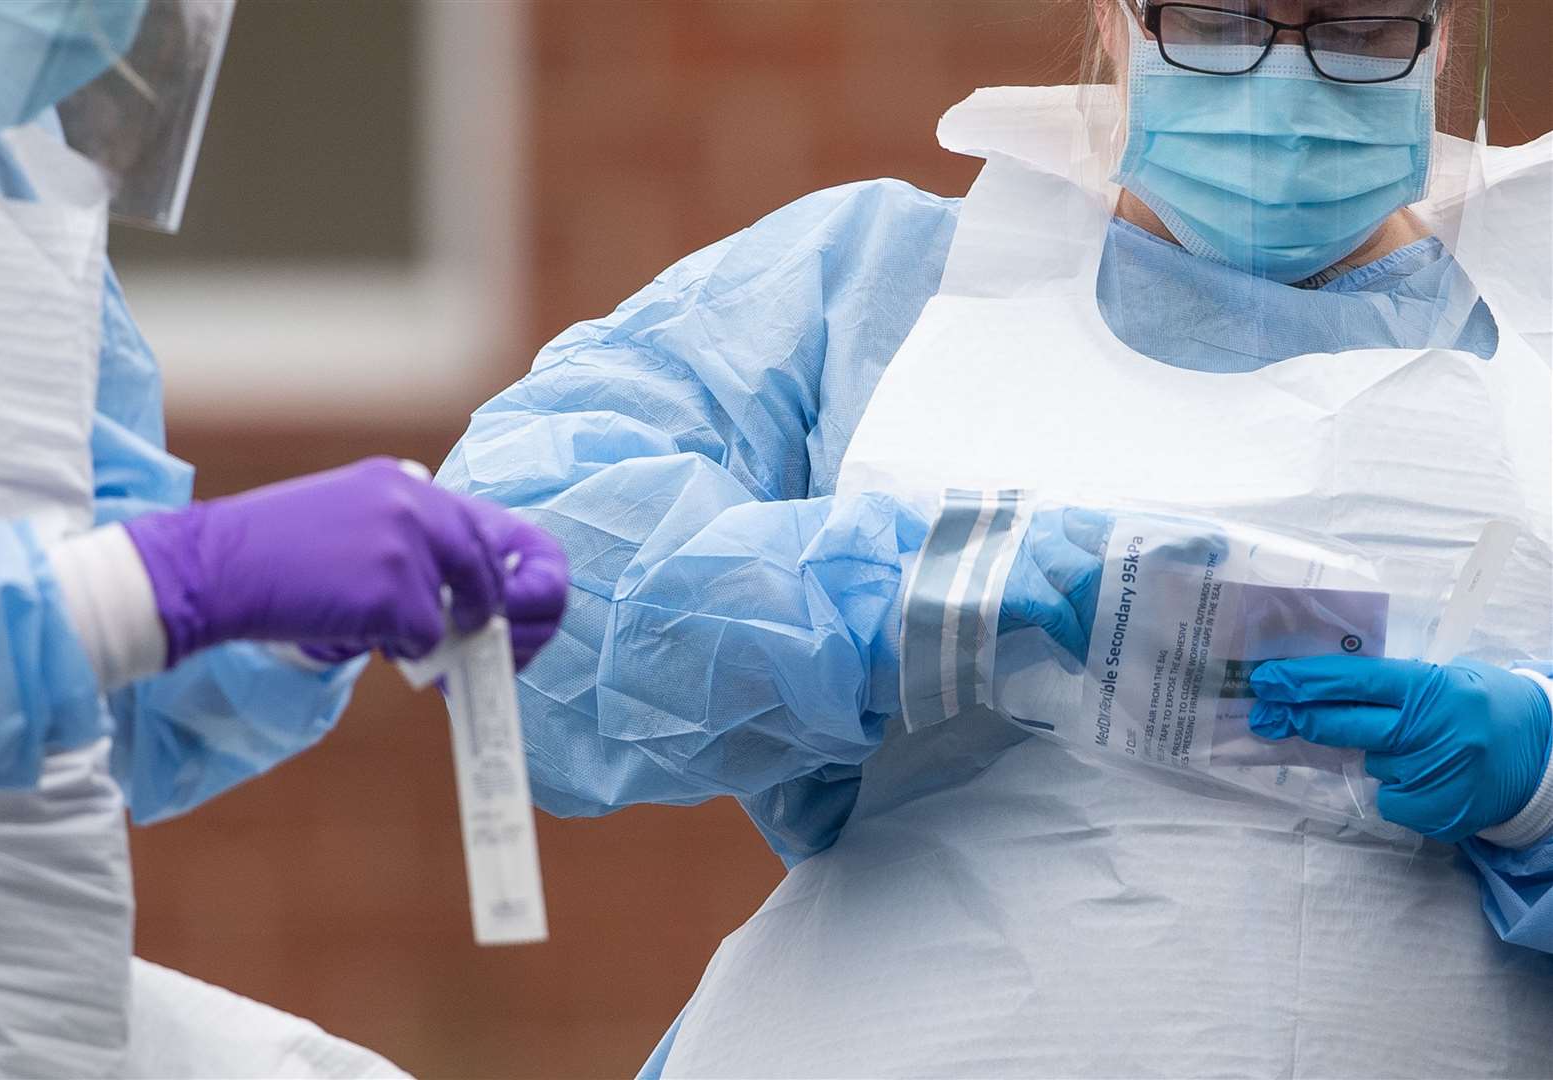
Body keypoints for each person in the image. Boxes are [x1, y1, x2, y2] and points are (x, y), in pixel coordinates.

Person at [440, 0, 1551, 1075]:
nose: (1284, 71)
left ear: (1444, 34)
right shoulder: (882, 292)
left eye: (1357, 28)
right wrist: (915, 591)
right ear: (1116, 19)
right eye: (1216, 20)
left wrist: (1539, 774)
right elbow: (504, 578)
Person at [0, 2, 567, 1076]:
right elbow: (89, 608)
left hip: (23, 992)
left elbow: (74, 710)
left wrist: (281, 625)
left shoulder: (14, 188)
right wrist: (168, 584)